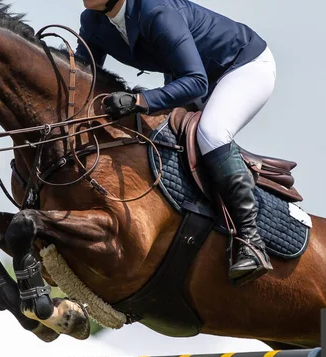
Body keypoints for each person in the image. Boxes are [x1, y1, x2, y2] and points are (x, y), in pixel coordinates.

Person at [75, 0, 276, 280]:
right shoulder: (92, 21)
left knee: (212, 133)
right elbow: (82, 79)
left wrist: (139, 100)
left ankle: (251, 242)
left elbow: (196, 81)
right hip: (188, 75)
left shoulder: (156, 11)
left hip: (241, 66)